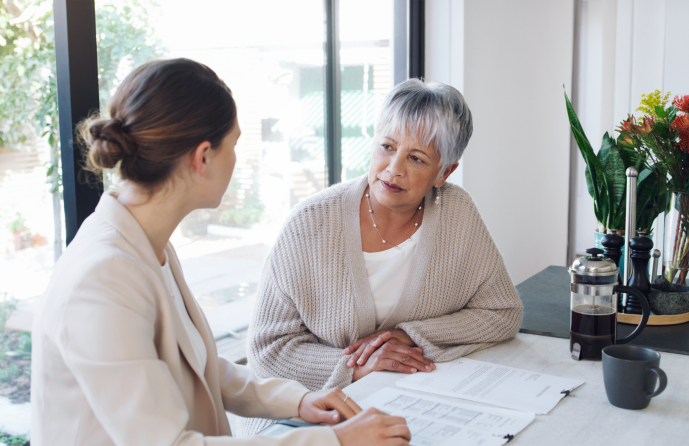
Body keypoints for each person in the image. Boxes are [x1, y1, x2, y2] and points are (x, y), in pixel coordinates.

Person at [30, 58, 410, 446]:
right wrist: (337, 441)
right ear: (203, 157)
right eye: (235, 144)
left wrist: (299, 400)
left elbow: (196, 364)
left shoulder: (146, 243)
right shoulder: (102, 280)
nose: (236, 159)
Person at [240, 78, 523, 435]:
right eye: (387, 146)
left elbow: (502, 312)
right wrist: (357, 367)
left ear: (444, 172)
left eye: (416, 158)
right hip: (303, 418)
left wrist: (410, 335)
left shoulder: (457, 212)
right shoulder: (310, 223)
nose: (394, 168)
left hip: (407, 405)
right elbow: (266, 353)